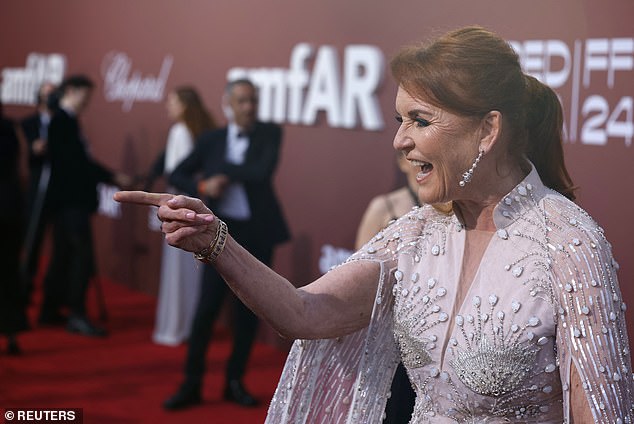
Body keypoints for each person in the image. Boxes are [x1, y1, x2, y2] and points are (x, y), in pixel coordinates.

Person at [115, 26, 634, 423]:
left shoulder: (569, 246)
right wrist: (215, 240)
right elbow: (306, 312)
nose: (399, 141)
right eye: (398, 120)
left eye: (420, 121)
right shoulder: (417, 232)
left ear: (487, 129)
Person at [160, 78, 290, 409]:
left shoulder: (269, 133)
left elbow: (260, 171)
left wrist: (223, 174)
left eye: (254, 101)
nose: (249, 107)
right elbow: (177, 172)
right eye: (243, 101)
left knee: (248, 312)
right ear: (228, 104)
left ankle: (235, 382)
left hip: (257, 234)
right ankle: (192, 383)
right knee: (206, 310)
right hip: (219, 233)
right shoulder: (212, 139)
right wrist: (204, 184)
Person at [41, 74, 130, 336]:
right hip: (71, 203)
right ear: (71, 91)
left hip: (68, 203)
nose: (88, 102)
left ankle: (50, 310)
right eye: (85, 96)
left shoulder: (68, 121)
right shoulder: (62, 122)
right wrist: (112, 177)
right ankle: (76, 314)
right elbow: (76, 164)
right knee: (80, 258)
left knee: (63, 256)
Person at [146, 86, 216, 346]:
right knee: (192, 270)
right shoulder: (201, 132)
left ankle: (175, 326)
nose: (168, 106)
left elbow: (175, 175)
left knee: (178, 269)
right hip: (196, 211)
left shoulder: (179, 132)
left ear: (184, 105)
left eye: (172, 101)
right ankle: (187, 324)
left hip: (178, 209)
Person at [354, 152, 420, 423]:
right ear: (401, 162)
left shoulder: (450, 210)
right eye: (412, 158)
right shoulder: (383, 207)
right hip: (392, 330)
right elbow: (360, 270)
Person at [20, 82, 58, 299]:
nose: (52, 98)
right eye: (48, 94)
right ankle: (25, 286)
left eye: (55, 94)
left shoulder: (64, 123)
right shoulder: (27, 124)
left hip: (59, 189)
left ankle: (53, 292)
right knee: (32, 239)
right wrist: (32, 149)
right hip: (36, 187)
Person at [0, 101, 29, 355]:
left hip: (8, 210)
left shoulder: (11, 128)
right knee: (9, 271)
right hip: (11, 208)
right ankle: (11, 332)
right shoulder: (11, 127)